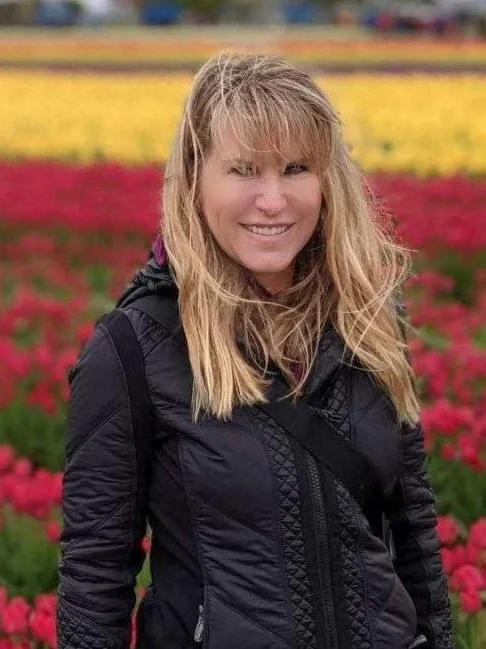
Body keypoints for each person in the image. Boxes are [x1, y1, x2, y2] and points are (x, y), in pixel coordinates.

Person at [56, 52, 454, 649]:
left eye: (295, 169)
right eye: (243, 170)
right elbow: (95, 574)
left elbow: (412, 526)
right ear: (195, 178)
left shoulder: (369, 320)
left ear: (327, 181)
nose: (272, 200)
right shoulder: (135, 348)